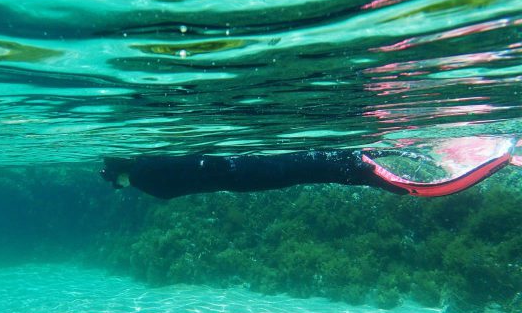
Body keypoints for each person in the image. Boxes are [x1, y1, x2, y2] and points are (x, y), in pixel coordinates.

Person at [100, 137, 520, 199]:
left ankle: (502, 156)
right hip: (241, 170)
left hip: (242, 172)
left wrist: (124, 177)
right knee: (311, 163)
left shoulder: (142, 173)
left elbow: (169, 187)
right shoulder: (144, 169)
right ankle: (361, 160)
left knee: (316, 165)